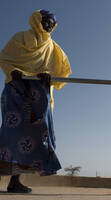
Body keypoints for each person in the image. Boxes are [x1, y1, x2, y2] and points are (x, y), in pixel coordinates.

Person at [0, 10, 71, 193]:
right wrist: (13, 71)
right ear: (36, 20)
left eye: (51, 23)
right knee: (11, 134)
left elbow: (62, 74)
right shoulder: (20, 38)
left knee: (36, 136)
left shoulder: (54, 49)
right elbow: (5, 59)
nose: (48, 26)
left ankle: (15, 182)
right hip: (16, 92)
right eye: (45, 21)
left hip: (39, 98)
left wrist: (49, 76)